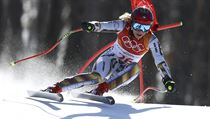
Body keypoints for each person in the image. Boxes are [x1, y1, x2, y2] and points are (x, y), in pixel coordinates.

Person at [43, 6, 176, 96]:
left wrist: (167, 79)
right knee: (96, 77)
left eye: (145, 27)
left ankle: (99, 91)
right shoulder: (123, 25)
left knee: (135, 68)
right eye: (137, 25)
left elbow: (160, 61)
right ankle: (56, 88)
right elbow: (103, 25)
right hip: (109, 58)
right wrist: (92, 26)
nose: (140, 31)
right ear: (131, 22)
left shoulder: (151, 40)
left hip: (124, 70)